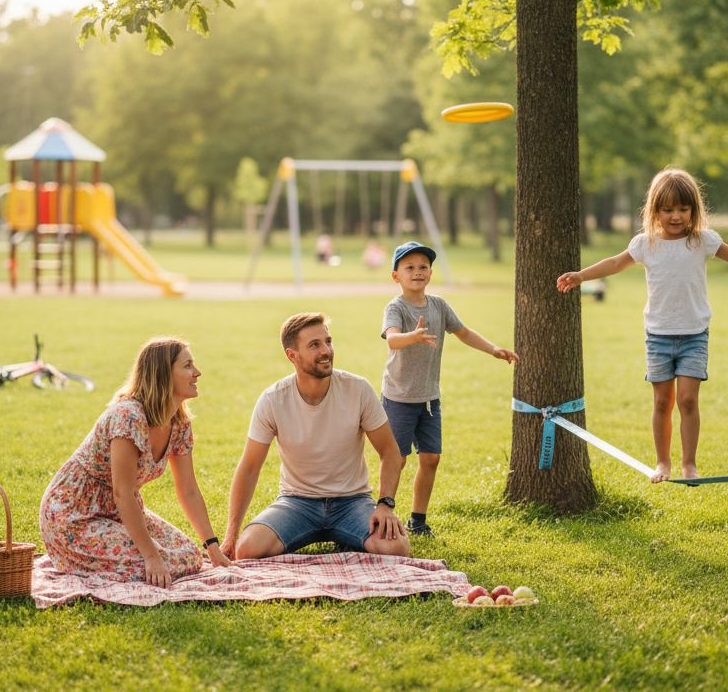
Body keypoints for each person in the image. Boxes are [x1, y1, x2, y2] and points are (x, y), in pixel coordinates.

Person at [555, 167, 728, 483]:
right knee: (663, 402)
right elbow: (614, 263)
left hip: (694, 335)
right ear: (655, 211)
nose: (676, 216)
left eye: (683, 209)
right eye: (668, 209)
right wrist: (581, 276)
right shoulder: (645, 244)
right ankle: (663, 463)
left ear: (693, 210)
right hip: (658, 336)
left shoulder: (703, 241)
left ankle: (689, 463)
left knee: (688, 400)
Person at [39, 337, 234, 587]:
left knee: (189, 556)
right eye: (187, 366)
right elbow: (123, 492)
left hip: (118, 512)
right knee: (163, 563)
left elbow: (189, 491)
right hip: (73, 516)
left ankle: (107, 563)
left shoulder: (180, 423)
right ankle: (81, 562)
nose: (197, 373)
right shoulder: (128, 416)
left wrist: (213, 547)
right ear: (163, 374)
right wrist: (151, 556)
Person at [221, 312, 411, 560]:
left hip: (352, 502)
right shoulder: (273, 399)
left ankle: (350, 534)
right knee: (248, 549)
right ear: (292, 355)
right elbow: (249, 467)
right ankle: (349, 540)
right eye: (314, 345)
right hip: (297, 503)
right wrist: (231, 535)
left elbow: (390, 452)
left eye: (328, 342)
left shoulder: (358, 389)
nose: (326, 351)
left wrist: (385, 505)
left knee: (395, 548)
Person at [380, 241, 518, 536]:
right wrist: (412, 336)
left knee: (431, 458)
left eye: (423, 267)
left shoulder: (439, 305)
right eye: (409, 268)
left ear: (430, 273)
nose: (417, 272)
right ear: (396, 276)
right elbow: (391, 339)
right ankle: (383, 513)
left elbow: (463, 332)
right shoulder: (396, 307)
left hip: (429, 398)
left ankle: (418, 520)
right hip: (399, 397)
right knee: (397, 459)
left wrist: (493, 349)